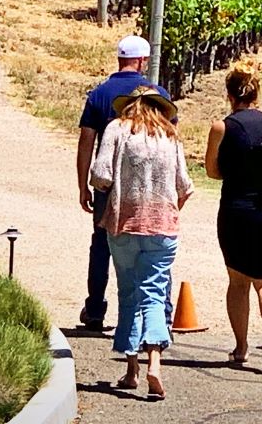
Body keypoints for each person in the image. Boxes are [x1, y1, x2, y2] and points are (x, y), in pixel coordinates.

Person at [89, 85, 192, 399]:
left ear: (130, 106)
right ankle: (155, 365)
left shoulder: (117, 129)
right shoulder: (170, 136)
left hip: (123, 224)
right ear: (159, 108)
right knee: (154, 293)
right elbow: (184, 186)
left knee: (129, 292)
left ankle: (132, 368)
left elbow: (101, 175)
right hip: (162, 228)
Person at [76, 35, 176, 331]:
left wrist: (83, 185)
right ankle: (163, 315)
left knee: (101, 245)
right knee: (155, 246)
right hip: (152, 189)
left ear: (120, 59)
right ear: (143, 61)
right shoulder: (158, 96)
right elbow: (170, 144)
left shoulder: (99, 94)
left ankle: (95, 310)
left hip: (109, 188)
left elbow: (86, 143)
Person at [203, 58, 262, 373]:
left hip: (237, 212)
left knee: (238, 281)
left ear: (230, 95)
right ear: (256, 93)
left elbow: (212, 171)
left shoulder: (222, 127)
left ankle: (241, 348)